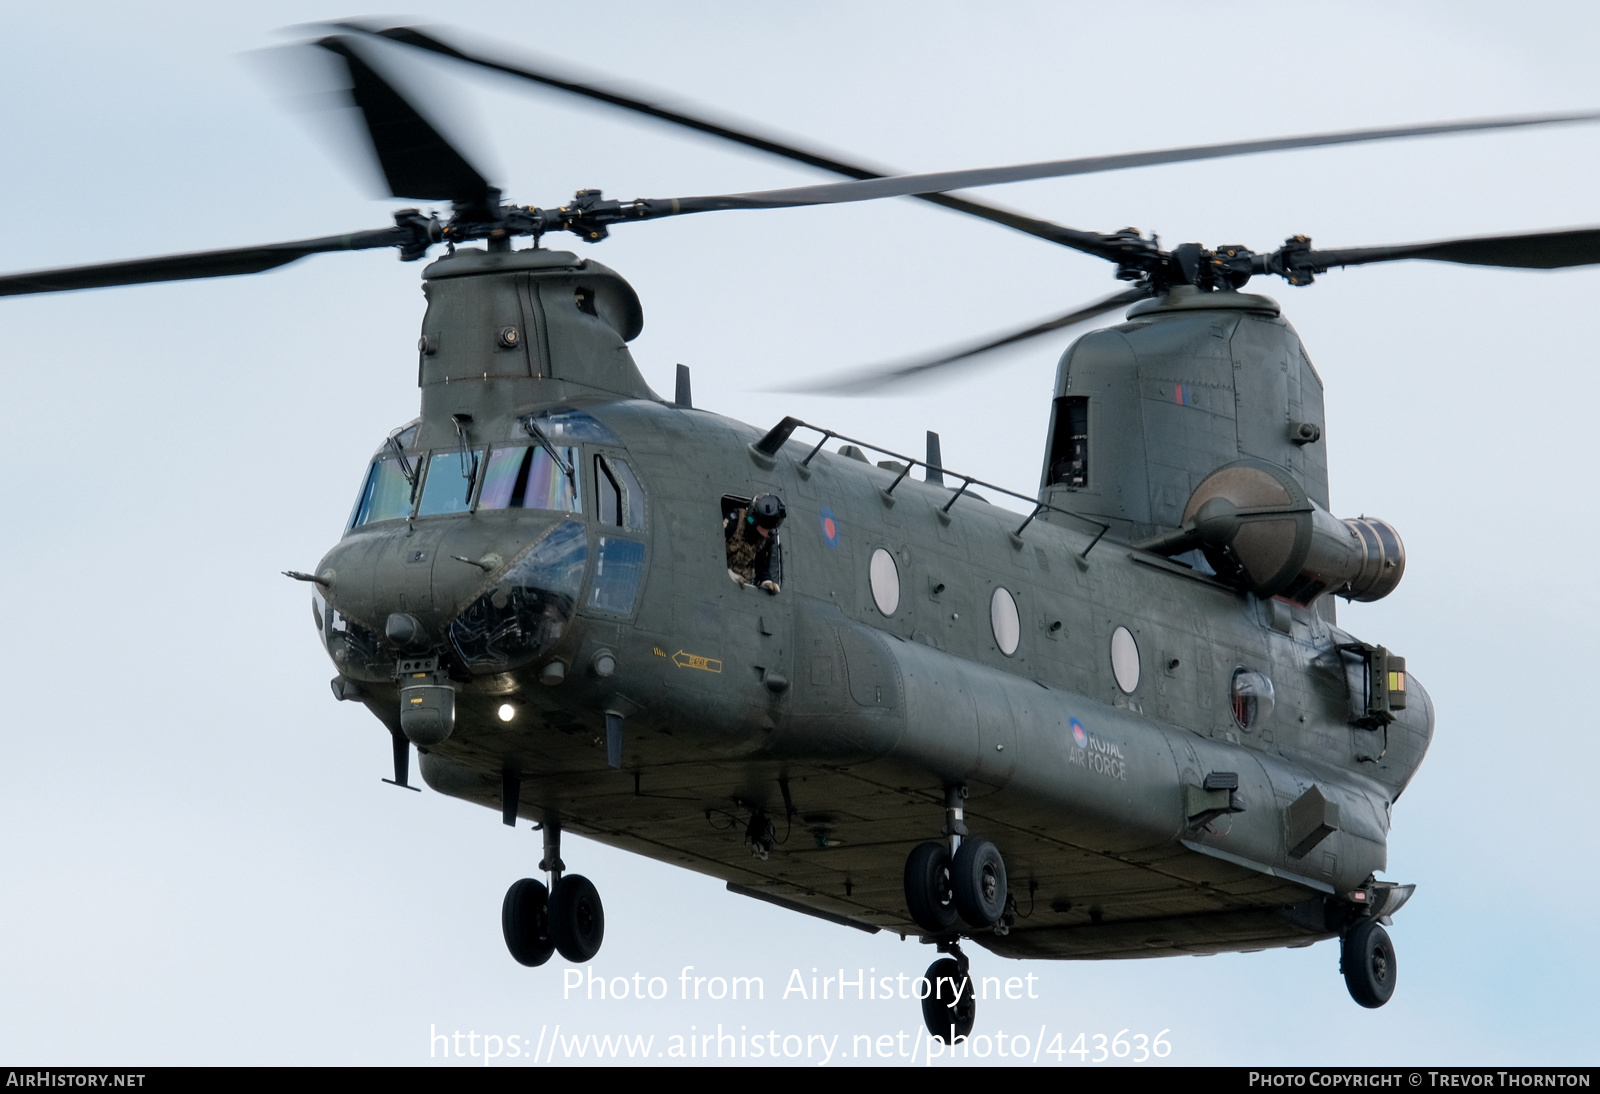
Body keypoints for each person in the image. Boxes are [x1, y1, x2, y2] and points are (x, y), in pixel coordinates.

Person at [724, 493, 785, 594]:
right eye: (766, 526)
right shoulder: (733, 522)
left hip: (741, 585)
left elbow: (763, 565)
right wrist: (727, 573)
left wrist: (766, 581)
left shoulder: (766, 539)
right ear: (755, 520)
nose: (770, 533)